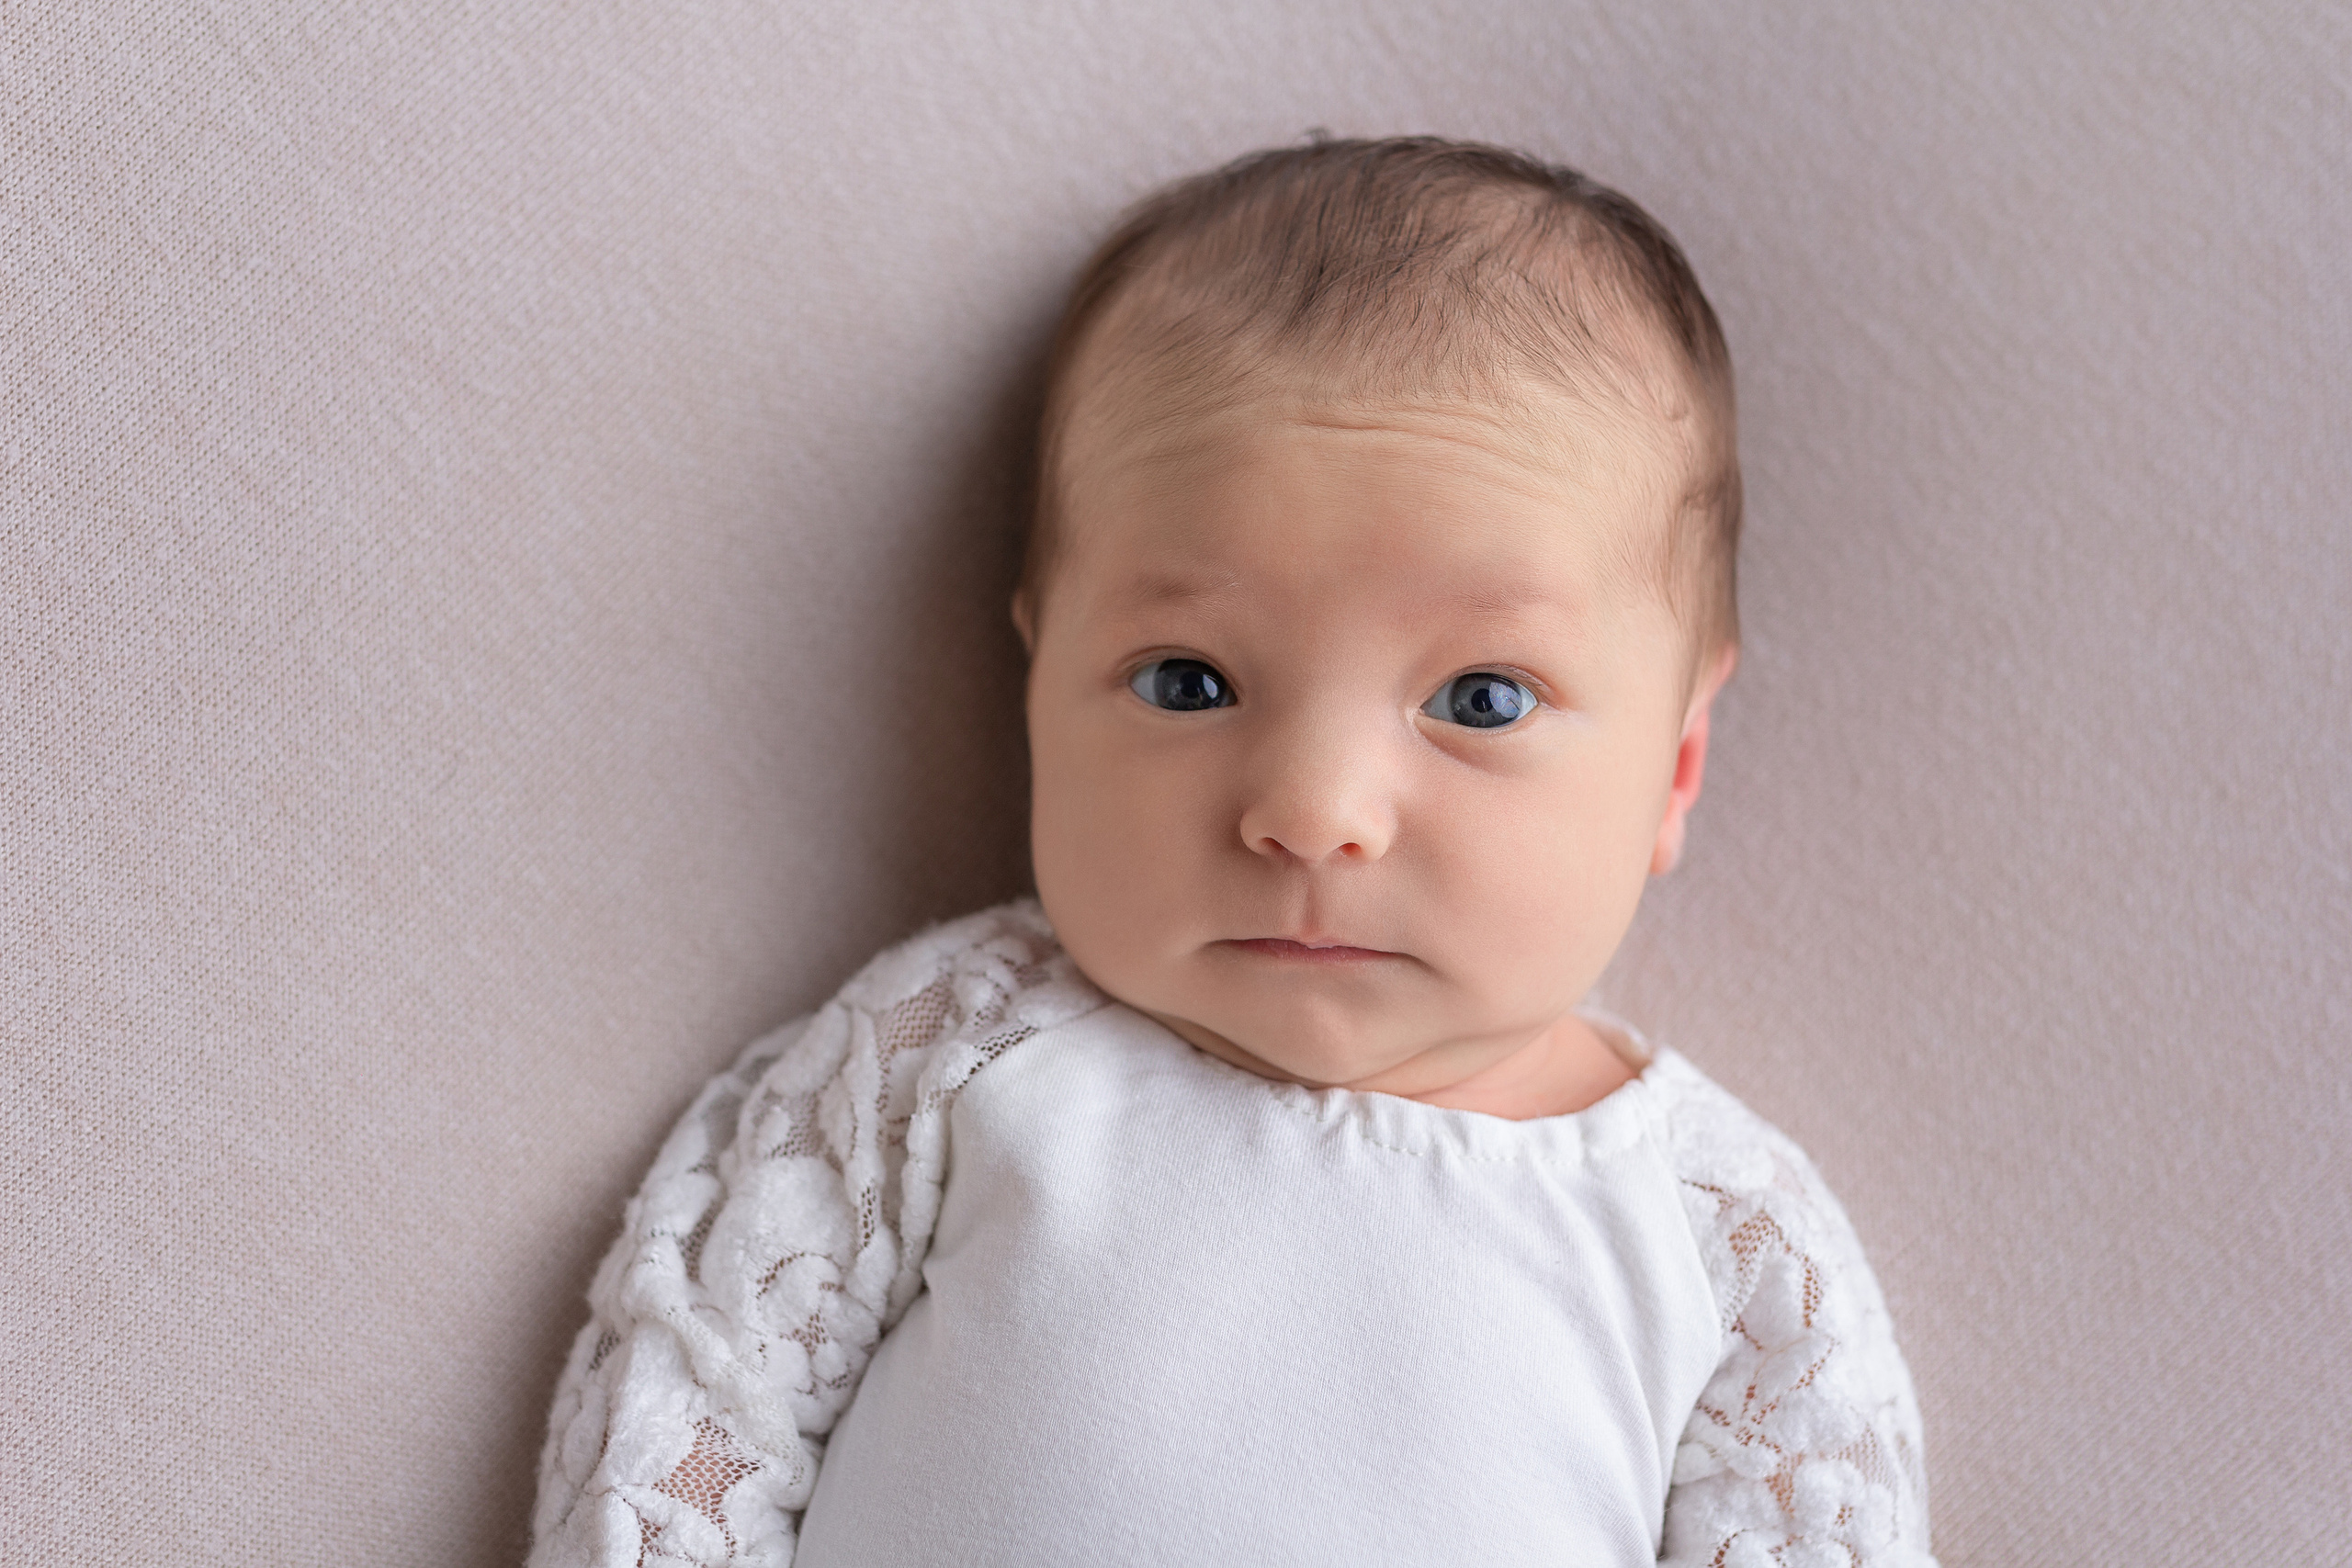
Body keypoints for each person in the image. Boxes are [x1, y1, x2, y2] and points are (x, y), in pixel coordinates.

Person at [527, 136, 1937, 1568]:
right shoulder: (942, 1055)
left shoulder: (1722, 1243)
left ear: (1676, 765)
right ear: (1036, 685)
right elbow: (693, 1405)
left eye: (1481, 701)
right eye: (1188, 681)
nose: (1314, 809)